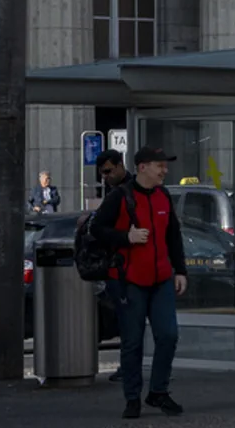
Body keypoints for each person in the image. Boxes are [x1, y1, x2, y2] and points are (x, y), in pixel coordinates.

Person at [92, 146, 187, 419]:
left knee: (168, 335)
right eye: (160, 165)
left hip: (161, 279)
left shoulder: (163, 195)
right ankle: (132, 398)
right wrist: (126, 237)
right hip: (129, 280)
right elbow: (97, 229)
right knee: (132, 342)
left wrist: (180, 271)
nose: (165, 171)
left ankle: (158, 391)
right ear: (143, 167)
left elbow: (174, 236)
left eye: (165, 165)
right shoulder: (120, 197)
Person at [92, 149, 131, 383]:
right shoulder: (114, 189)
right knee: (124, 317)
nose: (105, 177)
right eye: (102, 173)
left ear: (119, 166)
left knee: (128, 318)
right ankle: (129, 365)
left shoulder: (127, 190)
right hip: (117, 264)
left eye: (108, 171)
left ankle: (130, 366)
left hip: (126, 265)